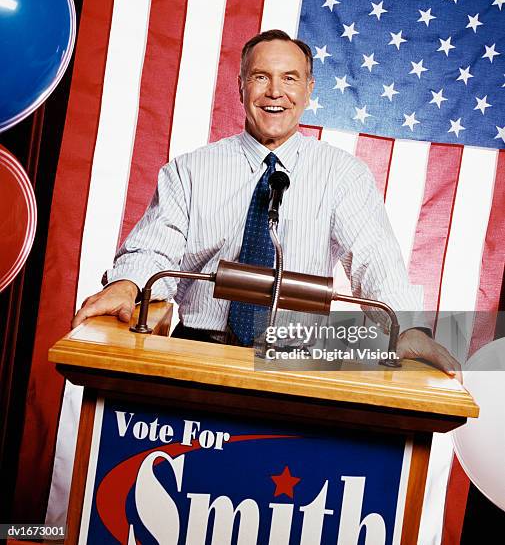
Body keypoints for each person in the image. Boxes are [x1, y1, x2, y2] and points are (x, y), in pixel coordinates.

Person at [72, 29, 461, 380]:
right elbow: (156, 250)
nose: (275, 91)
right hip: (199, 351)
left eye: (289, 79)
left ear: (309, 90)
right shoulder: (189, 170)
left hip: (297, 362)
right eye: (261, 77)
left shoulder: (344, 175)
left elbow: (375, 260)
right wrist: (127, 284)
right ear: (241, 87)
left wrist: (410, 329)